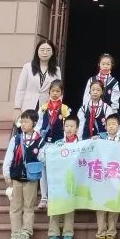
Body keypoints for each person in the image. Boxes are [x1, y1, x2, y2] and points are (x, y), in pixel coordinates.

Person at [2, 108, 42, 239]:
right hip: (16, 177)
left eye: (26, 122)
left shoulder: (39, 140)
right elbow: (9, 157)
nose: (23, 124)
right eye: (22, 121)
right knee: (15, 206)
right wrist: (6, 174)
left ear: (34, 123)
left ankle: (26, 232)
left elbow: (43, 158)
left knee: (29, 206)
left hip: (31, 179)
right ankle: (15, 232)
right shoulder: (16, 139)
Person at [41, 115, 78, 239]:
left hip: (72, 180)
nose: (69, 129)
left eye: (72, 126)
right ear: (63, 128)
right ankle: (53, 234)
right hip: (56, 179)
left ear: (77, 128)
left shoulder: (81, 144)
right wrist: (52, 150)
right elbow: (42, 158)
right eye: (66, 126)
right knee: (54, 205)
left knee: (69, 207)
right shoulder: (56, 144)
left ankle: (68, 233)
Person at [36, 79, 70, 210]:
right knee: (43, 170)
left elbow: (68, 127)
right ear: (49, 92)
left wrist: (65, 141)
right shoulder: (43, 108)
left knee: (55, 170)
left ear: (62, 93)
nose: (55, 93)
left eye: (58, 91)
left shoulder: (65, 109)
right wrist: (38, 139)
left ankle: (53, 197)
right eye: (53, 91)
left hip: (58, 143)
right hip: (45, 143)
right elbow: (38, 125)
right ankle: (44, 197)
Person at [94, 114, 120, 239]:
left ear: (119, 126)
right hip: (102, 177)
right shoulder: (99, 140)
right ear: (105, 126)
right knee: (100, 205)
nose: (111, 126)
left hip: (116, 177)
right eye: (108, 124)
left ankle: (111, 232)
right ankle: (101, 231)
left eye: (114, 124)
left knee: (113, 205)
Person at [14, 40, 61, 114]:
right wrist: (17, 107)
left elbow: (59, 90)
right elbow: (21, 88)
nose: (45, 52)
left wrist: (57, 108)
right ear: (37, 51)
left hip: (46, 107)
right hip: (27, 106)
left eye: (48, 50)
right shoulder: (27, 67)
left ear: (52, 52)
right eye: (42, 50)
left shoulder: (56, 70)